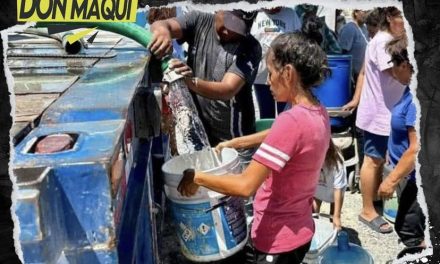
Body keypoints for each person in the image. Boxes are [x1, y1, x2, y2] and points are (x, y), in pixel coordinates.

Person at [178, 33, 331, 264]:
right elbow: (282, 137)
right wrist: (238, 142)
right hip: (300, 231)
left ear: (288, 73)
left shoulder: (290, 121)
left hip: (275, 241)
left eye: (270, 73)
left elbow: (245, 186)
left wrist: (197, 177)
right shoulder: (317, 111)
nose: (268, 81)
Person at [148, 10, 262, 163]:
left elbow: (228, 89)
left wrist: (191, 82)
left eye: (238, 27)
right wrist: (162, 31)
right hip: (202, 134)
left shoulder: (251, 46)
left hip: (236, 142)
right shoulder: (199, 20)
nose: (229, 31)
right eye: (229, 23)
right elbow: (163, 24)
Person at [345, 6, 406, 234]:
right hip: (380, 113)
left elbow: (362, 72)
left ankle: (381, 199)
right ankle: (367, 210)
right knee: (374, 160)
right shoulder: (384, 42)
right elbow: (399, 73)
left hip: (391, 111)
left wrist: (356, 98)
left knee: (388, 160)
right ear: (390, 18)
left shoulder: (390, 40)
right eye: (403, 17)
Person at [378, 34, 425, 249]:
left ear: (405, 65)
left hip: (414, 181)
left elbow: (416, 149)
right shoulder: (411, 89)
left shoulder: (416, 99)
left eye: (393, 65)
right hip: (407, 176)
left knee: (409, 230)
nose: (392, 71)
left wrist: (391, 180)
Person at [250, 6, 302, 118]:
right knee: (266, 114)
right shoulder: (254, 14)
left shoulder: (291, 14)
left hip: (285, 77)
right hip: (261, 75)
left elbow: (299, 42)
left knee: (286, 114)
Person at [313, 139, 347, 230]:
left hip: (334, 191)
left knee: (333, 213)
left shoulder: (337, 162)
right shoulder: (311, 158)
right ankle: (314, 232)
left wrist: (337, 216)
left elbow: (338, 188)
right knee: (313, 214)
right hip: (317, 191)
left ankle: (334, 231)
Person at [338, 9, 369, 82]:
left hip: (364, 74)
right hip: (353, 76)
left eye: (367, 11)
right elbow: (342, 53)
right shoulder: (349, 28)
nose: (366, 14)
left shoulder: (365, 28)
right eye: (363, 11)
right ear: (356, 13)